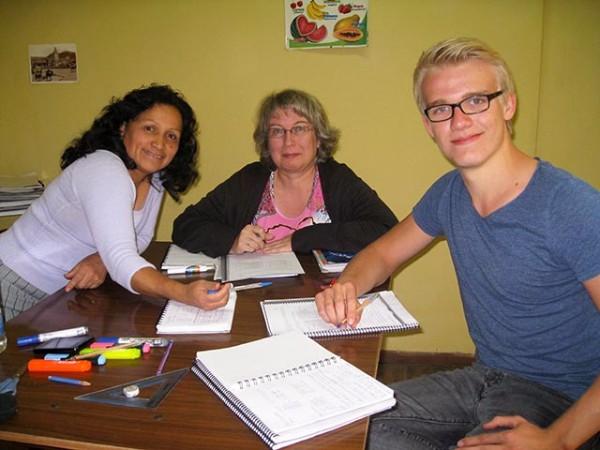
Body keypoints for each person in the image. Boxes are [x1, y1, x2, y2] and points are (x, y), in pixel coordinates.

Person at [315, 37, 600, 449]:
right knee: (349, 430)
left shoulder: (571, 206)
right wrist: (347, 286)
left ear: (508, 105)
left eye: (476, 101)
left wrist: (559, 439)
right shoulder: (449, 193)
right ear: (428, 125)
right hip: (485, 377)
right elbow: (381, 253)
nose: (459, 121)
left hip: (564, 400)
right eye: (441, 109)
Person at [0, 85, 229, 320]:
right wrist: (182, 293)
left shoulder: (154, 178)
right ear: (123, 127)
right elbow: (122, 259)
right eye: (149, 129)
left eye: (171, 136)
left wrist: (102, 260)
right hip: (13, 282)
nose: (159, 144)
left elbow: (140, 237)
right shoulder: (105, 169)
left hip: (60, 295)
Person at [172, 89, 397, 258]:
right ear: (267, 141)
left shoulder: (337, 179)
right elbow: (185, 225)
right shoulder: (249, 180)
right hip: (257, 295)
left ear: (318, 138)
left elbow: (385, 229)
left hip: (323, 296)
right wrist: (232, 240)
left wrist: (303, 239)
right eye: (278, 131)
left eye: (299, 128)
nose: (289, 141)